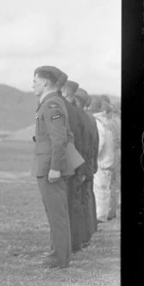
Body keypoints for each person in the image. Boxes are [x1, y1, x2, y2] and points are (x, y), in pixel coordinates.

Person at [31, 66, 84, 269]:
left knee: (57, 213)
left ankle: (59, 258)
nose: (32, 85)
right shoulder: (49, 103)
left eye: (35, 81)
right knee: (53, 212)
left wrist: (55, 167)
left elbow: (60, 139)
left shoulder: (52, 104)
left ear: (45, 83)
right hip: (47, 164)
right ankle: (56, 252)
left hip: (50, 166)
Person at [60, 79, 87, 253]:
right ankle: (74, 242)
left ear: (65, 91)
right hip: (77, 163)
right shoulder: (78, 112)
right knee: (73, 205)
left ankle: (68, 245)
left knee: (66, 207)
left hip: (68, 164)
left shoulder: (66, 110)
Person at [73, 87, 99, 243]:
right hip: (88, 165)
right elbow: (96, 143)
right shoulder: (90, 118)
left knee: (79, 201)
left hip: (80, 166)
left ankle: (80, 237)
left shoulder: (79, 117)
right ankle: (88, 233)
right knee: (87, 198)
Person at [88, 96, 117, 224]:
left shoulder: (98, 122)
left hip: (101, 161)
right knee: (104, 189)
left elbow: (100, 142)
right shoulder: (105, 121)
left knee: (100, 190)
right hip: (108, 160)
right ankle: (103, 214)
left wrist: (92, 156)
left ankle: (100, 216)